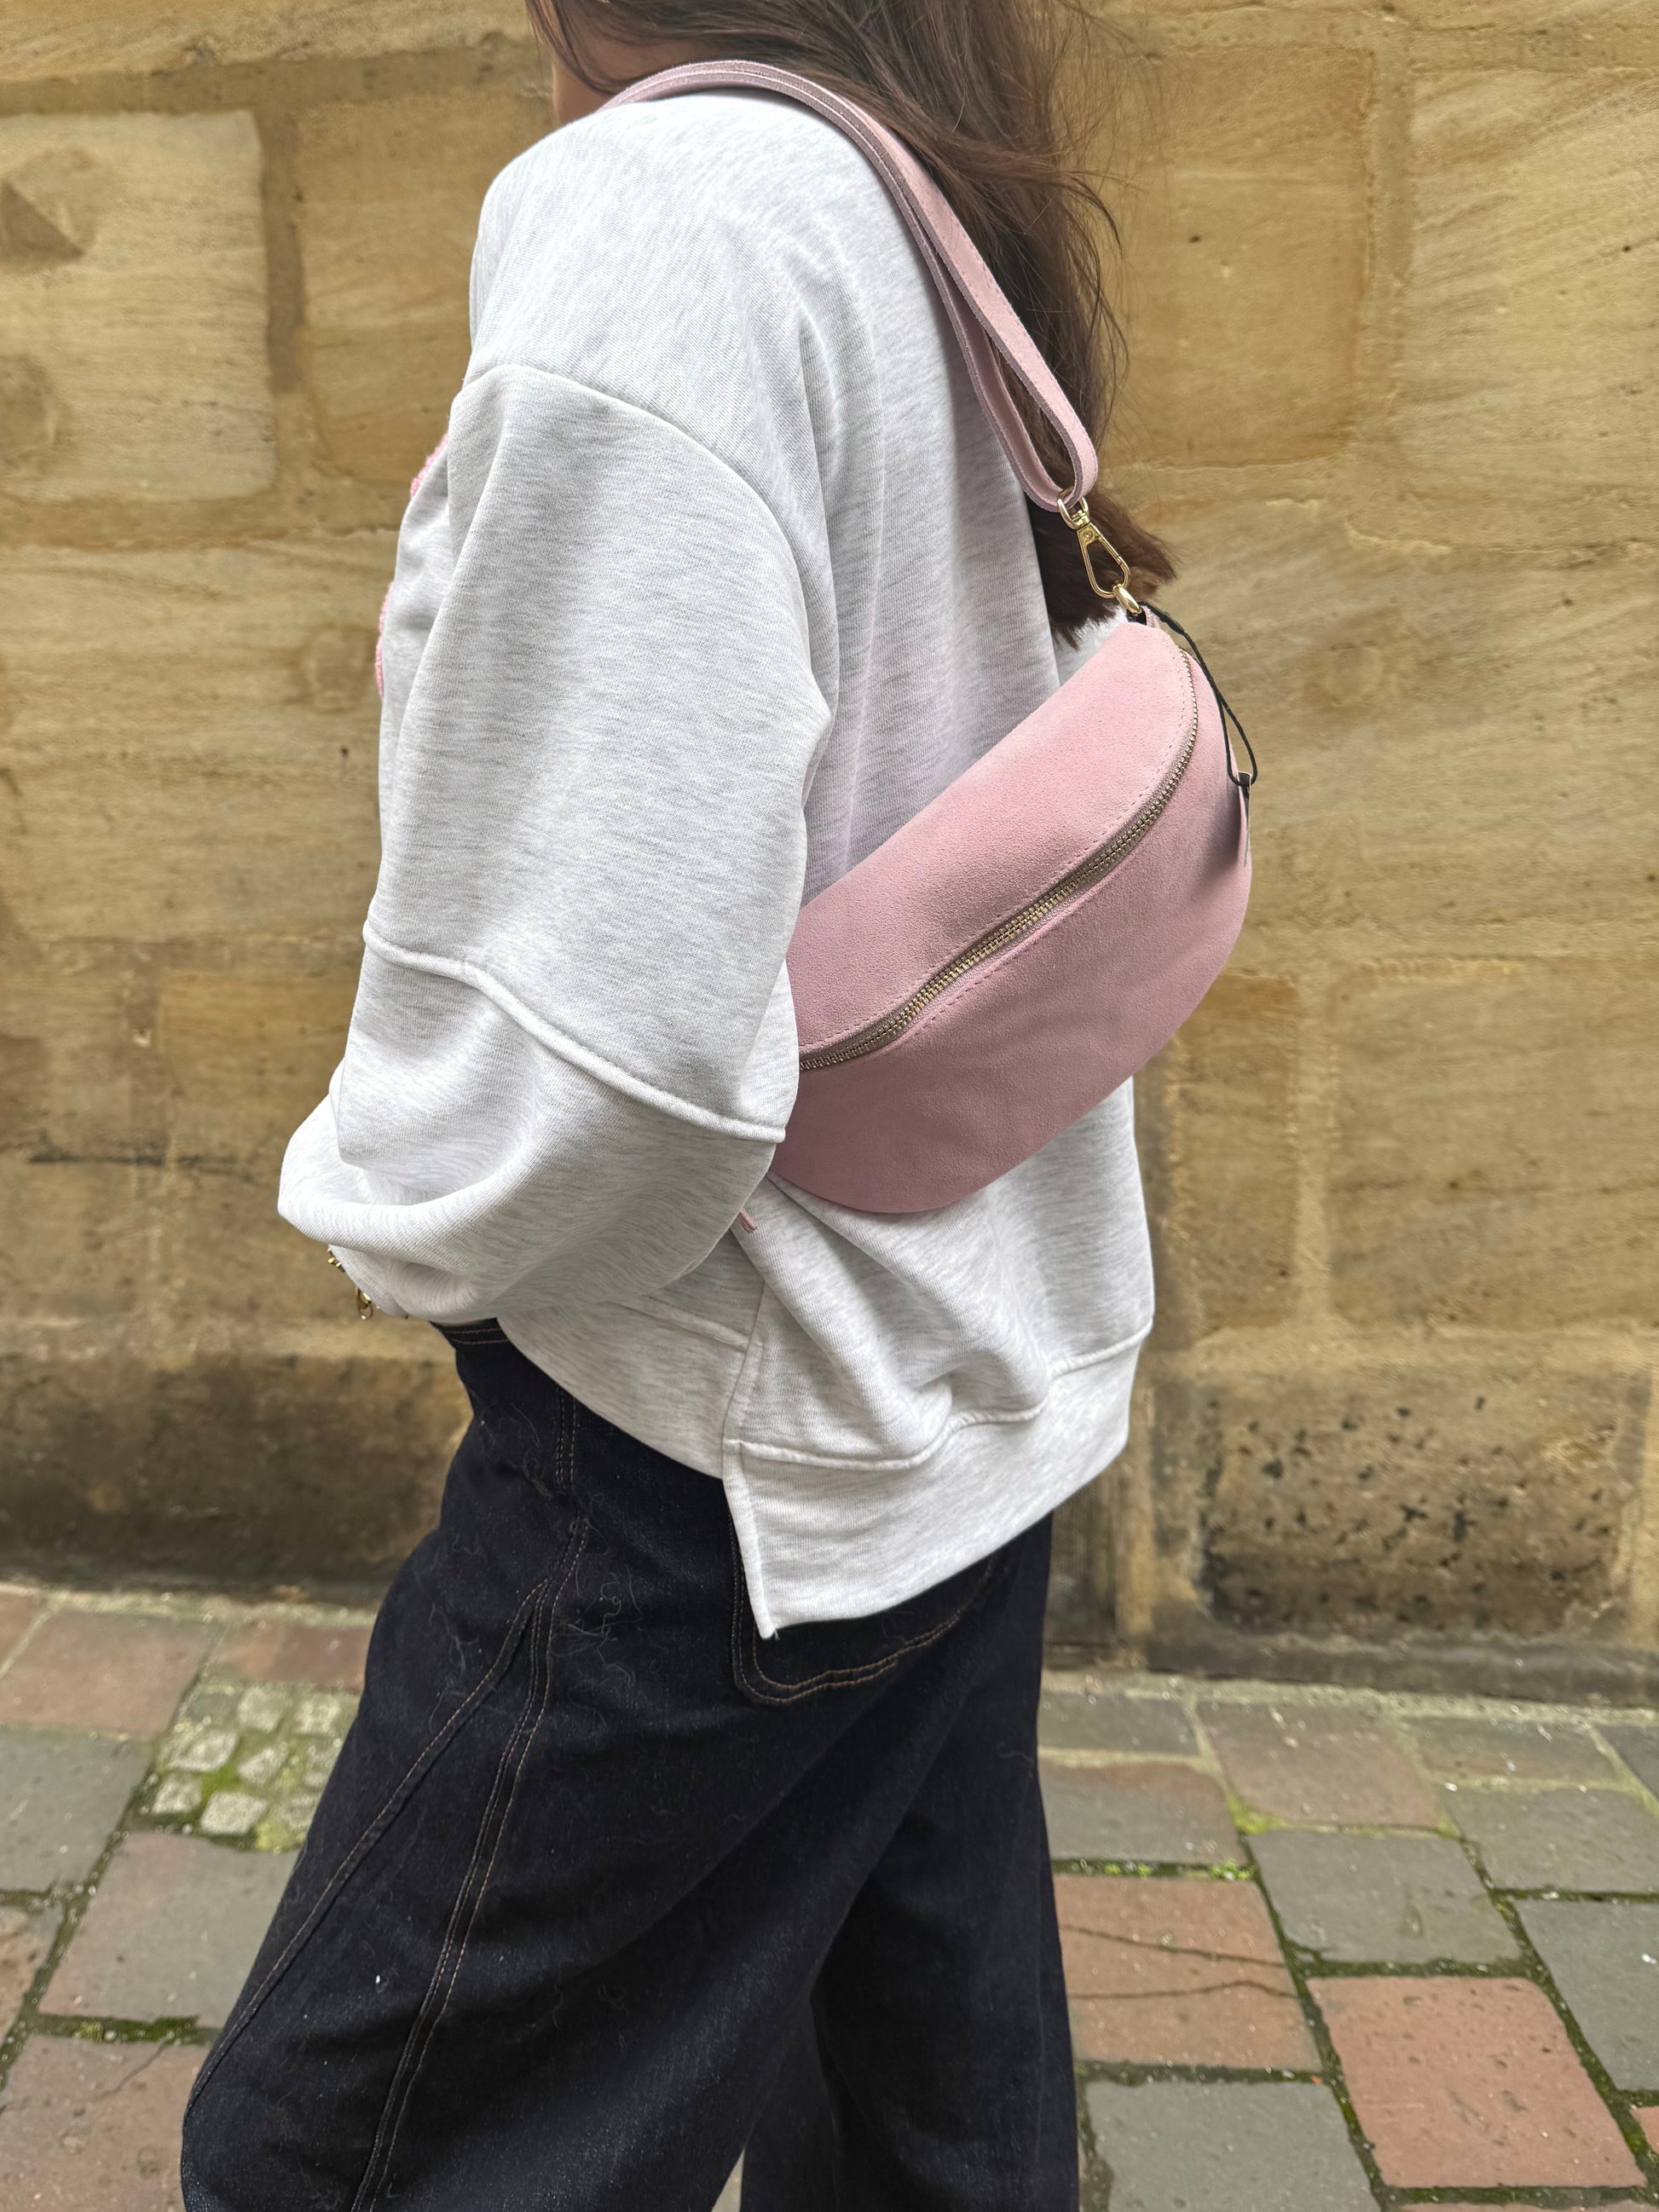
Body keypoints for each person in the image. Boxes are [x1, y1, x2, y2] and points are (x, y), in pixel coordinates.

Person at [181, 3, 1172, 2205]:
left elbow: (617, 1042)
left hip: (714, 1444)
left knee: (337, 2160)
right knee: (922, 2146)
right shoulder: (908, 177)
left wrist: (414, 1232)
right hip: (956, 1368)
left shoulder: (667, 209)